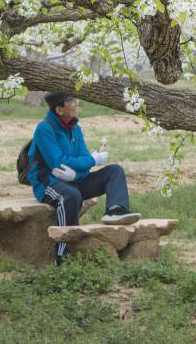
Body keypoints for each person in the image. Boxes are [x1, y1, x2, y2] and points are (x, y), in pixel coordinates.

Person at [28, 92, 141, 263]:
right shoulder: (44, 128)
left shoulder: (75, 128)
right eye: (71, 100)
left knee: (115, 171)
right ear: (59, 109)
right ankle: (62, 255)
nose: (76, 102)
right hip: (47, 182)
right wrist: (93, 160)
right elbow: (58, 163)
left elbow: (84, 161)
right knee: (71, 196)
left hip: (73, 180)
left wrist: (76, 174)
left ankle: (115, 210)